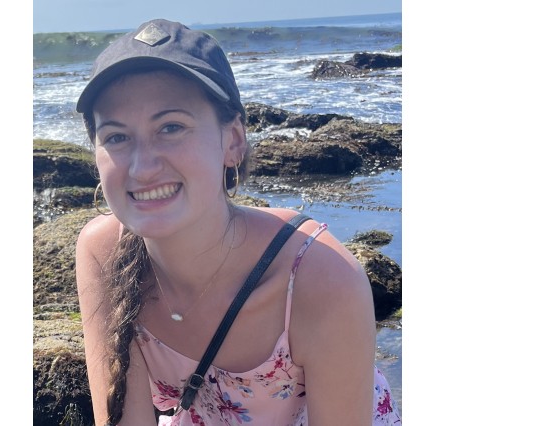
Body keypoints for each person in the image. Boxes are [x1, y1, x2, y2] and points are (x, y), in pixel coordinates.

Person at [75, 18, 401, 426]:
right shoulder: (104, 252)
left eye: (171, 127)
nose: (142, 168)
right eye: (117, 137)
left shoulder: (320, 278)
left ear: (233, 141)